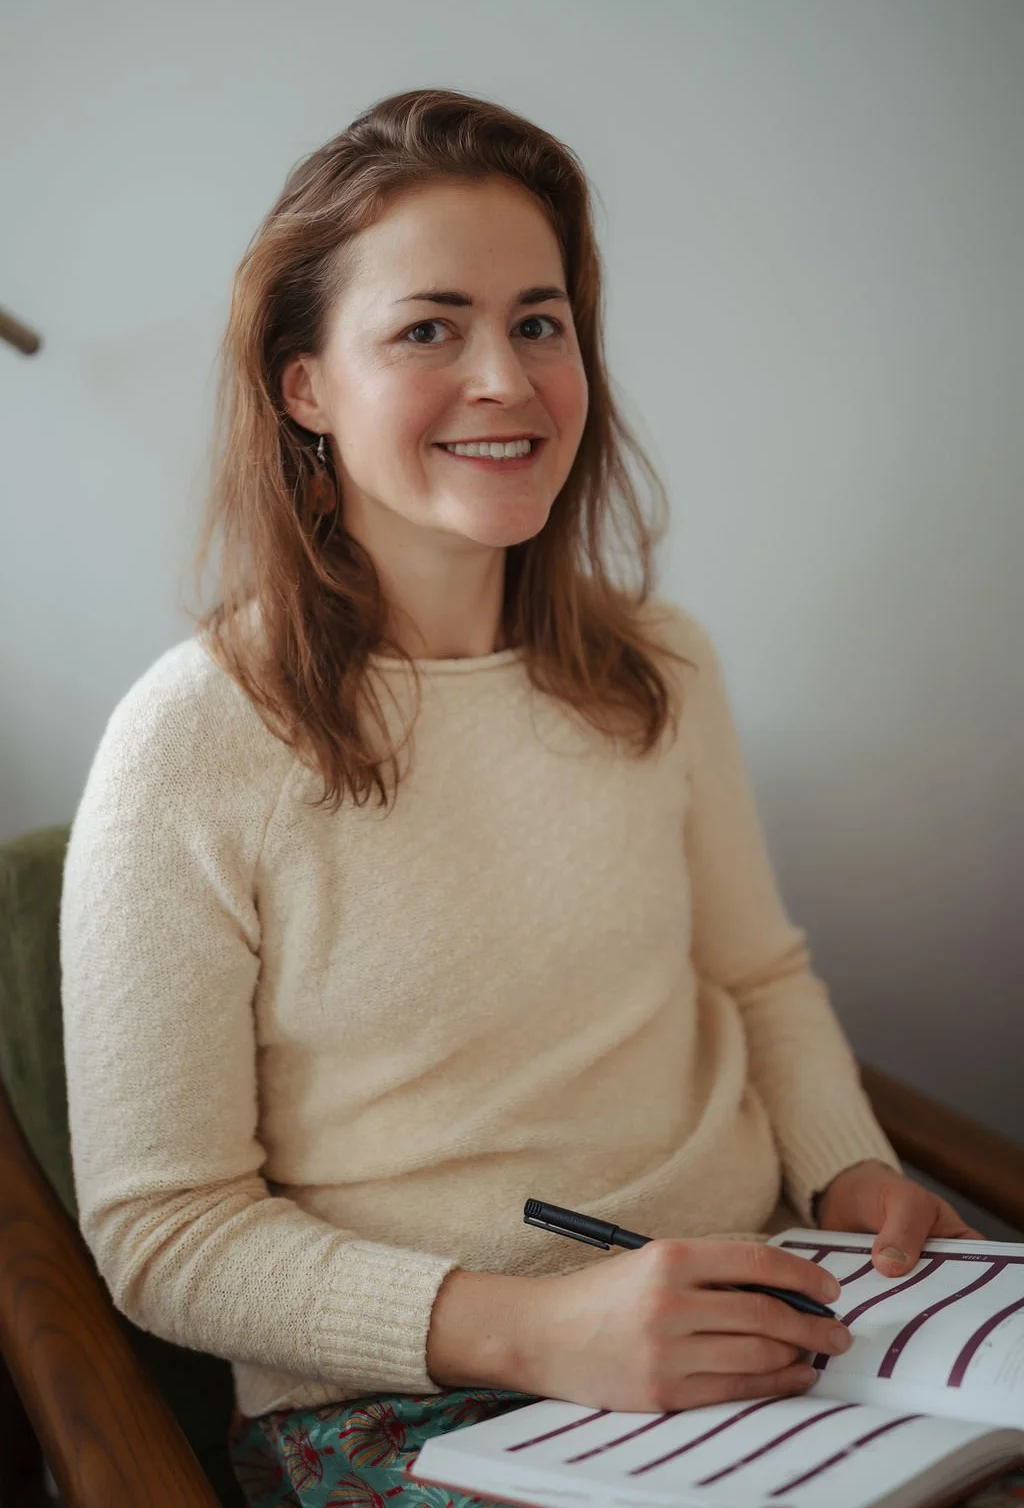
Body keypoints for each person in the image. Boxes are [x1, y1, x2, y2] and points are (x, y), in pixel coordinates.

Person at [60, 88, 988, 1508]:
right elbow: (165, 1236)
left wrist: (852, 1175)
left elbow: (755, 975)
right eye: (430, 327)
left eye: (539, 321)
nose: (507, 378)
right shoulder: (189, 743)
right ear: (304, 383)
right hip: (411, 1411)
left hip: (775, 1328)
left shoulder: (658, 667)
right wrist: (540, 1329)